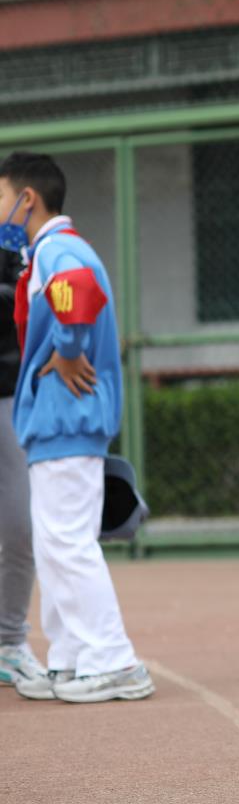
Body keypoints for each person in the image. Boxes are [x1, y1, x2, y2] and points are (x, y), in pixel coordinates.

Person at [0, 152, 152, 703]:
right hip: (57, 422)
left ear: (27, 200)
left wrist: (65, 350)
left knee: (66, 543)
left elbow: (76, 293)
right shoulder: (49, 250)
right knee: (57, 543)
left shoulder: (57, 249)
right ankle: (69, 658)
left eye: (0, 199)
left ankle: (114, 660)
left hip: (68, 417)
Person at [0, 238, 43, 689]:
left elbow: (27, 302)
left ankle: (9, 643)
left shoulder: (19, 242)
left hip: (7, 392)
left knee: (19, 524)